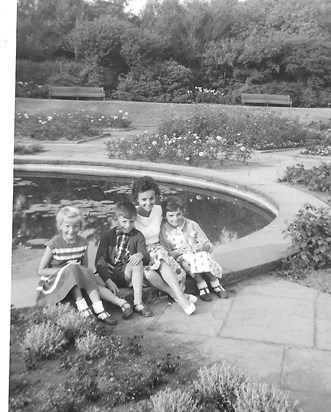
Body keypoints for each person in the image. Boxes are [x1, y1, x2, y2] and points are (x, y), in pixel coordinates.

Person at [36, 206, 117, 326]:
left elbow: (85, 267)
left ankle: (99, 309)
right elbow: (41, 270)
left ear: (80, 226)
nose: (71, 230)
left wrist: (75, 270)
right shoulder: (53, 245)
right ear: (60, 226)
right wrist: (65, 270)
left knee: (86, 271)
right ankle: (82, 306)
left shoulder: (83, 243)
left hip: (75, 280)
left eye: (75, 226)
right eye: (67, 226)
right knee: (72, 270)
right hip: (55, 281)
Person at [131, 176, 196, 316]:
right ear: (137, 199)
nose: (148, 203)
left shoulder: (159, 210)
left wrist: (191, 233)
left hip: (157, 248)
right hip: (141, 251)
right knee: (148, 273)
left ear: (156, 197)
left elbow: (176, 219)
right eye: (144, 199)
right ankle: (179, 296)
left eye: (151, 198)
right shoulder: (133, 215)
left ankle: (182, 300)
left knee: (160, 259)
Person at [160, 195, 228, 301]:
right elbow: (166, 254)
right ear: (165, 216)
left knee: (198, 255)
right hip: (179, 259)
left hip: (197, 255)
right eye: (171, 216)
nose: (175, 218)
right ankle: (201, 283)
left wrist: (202, 246)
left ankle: (214, 282)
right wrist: (178, 252)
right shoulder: (163, 231)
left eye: (178, 214)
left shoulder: (191, 225)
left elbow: (209, 245)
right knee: (187, 259)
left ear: (183, 212)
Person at [94, 201, 154, 318]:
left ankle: (138, 303)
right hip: (109, 274)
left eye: (131, 221)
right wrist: (108, 280)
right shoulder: (107, 235)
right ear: (116, 219)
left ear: (135, 219)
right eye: (124, 222)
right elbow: (99, 261)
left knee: (138, 263)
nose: (128, 225)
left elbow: (146, 257)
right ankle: (122, 303)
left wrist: (140, 255)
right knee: (91, 280)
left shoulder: (138, 236)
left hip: (125, 273)